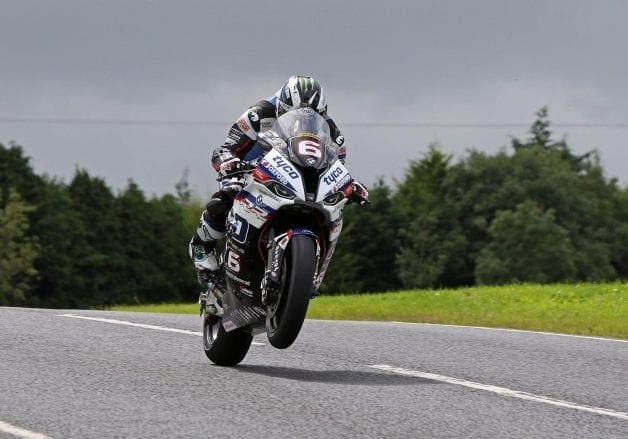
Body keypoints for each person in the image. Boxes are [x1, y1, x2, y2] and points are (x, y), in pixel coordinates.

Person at [189, 75, 369, 285]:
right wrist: (229, 162)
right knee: (230, 191)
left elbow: (335, 165)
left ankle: (305, 273)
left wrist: (348, 185)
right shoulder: (258, 113)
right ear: (281, 107)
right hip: (252, 167)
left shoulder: (332, 131)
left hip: (296, 176)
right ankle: (202, 246)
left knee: (331, 206)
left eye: (312, 117)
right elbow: (226, 148)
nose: (303, 121)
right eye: (295, 115)